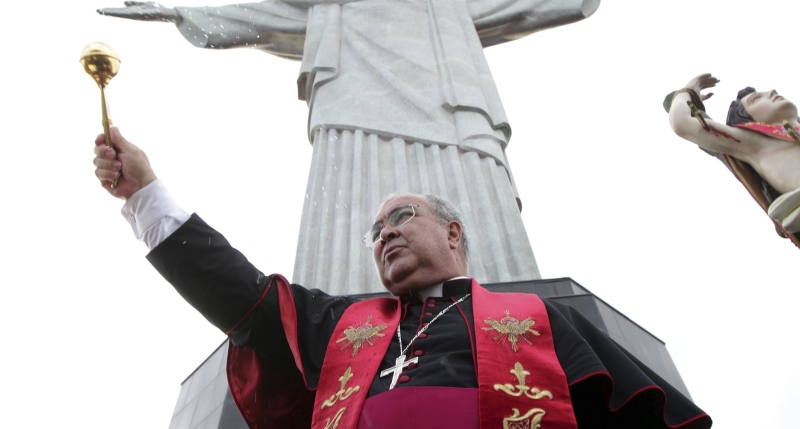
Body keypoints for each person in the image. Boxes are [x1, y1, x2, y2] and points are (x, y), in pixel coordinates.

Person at [97, 0, 674, 295]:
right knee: (353, 218)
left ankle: (497, 300)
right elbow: (256, 16)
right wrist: (178, 13)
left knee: (480, 223)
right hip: (352, 124)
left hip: (453, 117)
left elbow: (520, 6)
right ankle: (347, 299)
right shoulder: (333, 0)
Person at [93, 128, 711, 429]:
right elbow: (241, 294)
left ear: (453, 233)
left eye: (401, 217)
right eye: (375, 229)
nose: (384, 232)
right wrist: (147, 195)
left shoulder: (541, 320)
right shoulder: (339, 325)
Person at [667, 73, 800, 244]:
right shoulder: (754, 143)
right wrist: (689, 90)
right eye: (756, 100)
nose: (772, 91)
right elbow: (682, 123)